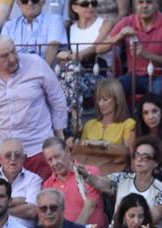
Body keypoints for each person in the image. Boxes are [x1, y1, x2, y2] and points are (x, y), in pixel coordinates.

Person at [0, 36, 67, 180]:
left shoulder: (36, 63)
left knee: (39, 198)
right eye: (4, 56)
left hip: (37, 147)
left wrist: (59, 132)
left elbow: (57, 99)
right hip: (0, 149)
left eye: (13, 52)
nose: (12, 59)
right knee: (1, 198)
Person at [55, 0, 115, 132]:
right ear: (74, 7)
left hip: (98, 74)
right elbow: (63, 57)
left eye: (93, 3)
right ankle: (75, 115)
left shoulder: (105, 23)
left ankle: (70, 121)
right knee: (65, 76)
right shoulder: (70, 29)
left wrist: (76, 55)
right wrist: (64, 56)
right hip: (76, 77)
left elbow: (96, 47)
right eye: (85, 4)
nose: (90, 6)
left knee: (68, 76)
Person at [81, 136, 162, 225]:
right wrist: (85, 174)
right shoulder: (122, 178)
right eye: (136, 155)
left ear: (156, 162)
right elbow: (99, 182)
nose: (139, 159)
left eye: (145, 157)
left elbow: (153, 218)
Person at [97, 0, 162, 99]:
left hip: (161, 75)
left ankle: (151, 114)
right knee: (115, 89)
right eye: (140, 2)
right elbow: (99, 49)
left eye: (149, 2)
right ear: (134, 6)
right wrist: (119, 36)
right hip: (134, 76)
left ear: (157, 5)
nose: (144, 6)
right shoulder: (127, 21)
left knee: (159, 89)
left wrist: (146, 55)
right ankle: (128, 115)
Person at [42, 137, 107, 228]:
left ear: (67, 151)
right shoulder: (47, 185)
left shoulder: (89, 172)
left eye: (57, 157)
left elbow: (89, 207)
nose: (54, 163)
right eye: (50, 160)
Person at [0, 138, 42, 228]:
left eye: (17, 155)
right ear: (0, 159)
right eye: (8, 155)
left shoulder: (34, 179)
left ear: (24, 158)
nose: (13, 159)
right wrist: (18, 200)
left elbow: (32, 211)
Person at [2, 0, 68, 69]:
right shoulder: (9, 26)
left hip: (46, 72)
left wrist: (42, 73)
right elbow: (4, 51)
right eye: (24, 1)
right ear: (18, 3)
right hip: (17, 73)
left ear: (43, 2)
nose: (30, 3)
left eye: (34, 0)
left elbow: (53, 47)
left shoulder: (54, 20)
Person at [79, 77, 136, 153]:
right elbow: (81, 153)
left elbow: (129, 152)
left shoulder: (128, 124)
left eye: (105, 99)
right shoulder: (89, 125)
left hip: (115, 164)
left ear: (117, 100)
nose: (101, 104)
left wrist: (104, 144)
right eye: (98, 99)